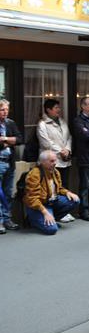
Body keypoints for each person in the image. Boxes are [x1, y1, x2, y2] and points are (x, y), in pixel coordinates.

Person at [23, 151, 80, 235]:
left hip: (51, 201)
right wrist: (45, 212)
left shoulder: (55, 172)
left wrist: (68, 192)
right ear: (43, 162)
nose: (55, 163)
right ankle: (33, 220)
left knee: (75, 200)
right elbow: (32, 199)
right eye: (52, 161)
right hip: (38, 205)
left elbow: (59, 188)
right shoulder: (35, 174)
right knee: (52, 230)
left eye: (55, 160)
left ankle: (50, 218)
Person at [37, 99, 74, 223]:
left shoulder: (62, 122)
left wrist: (67, 149)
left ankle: (65, 211)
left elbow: (69, 137)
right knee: (53, 187)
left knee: (64, 185)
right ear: (48, 109)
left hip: (65, 159)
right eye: (56, 107)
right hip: (51, 161)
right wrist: (61, 151)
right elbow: (46, 142)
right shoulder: (42, 124)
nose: (59, 109)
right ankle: (57, 213)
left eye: (59, 107)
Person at [0, 99, 22, 234]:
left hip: (10, 161)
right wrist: (10, 141)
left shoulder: (10, 123)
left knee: (8, 192)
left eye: (7, 110)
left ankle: (7, 219)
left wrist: (5, 139)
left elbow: (19, 139)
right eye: (2, 109)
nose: (5, 112)